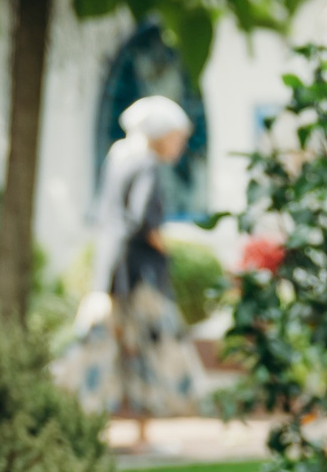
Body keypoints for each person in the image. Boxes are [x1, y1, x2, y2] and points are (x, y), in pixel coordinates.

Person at [50, 94, 211, 446]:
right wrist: (163, 245)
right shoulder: (147, 165)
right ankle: (142, 434)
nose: (181, 146)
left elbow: (109, 217)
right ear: (162, 134)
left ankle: (97, 427)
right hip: (141, 278)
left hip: (110, 269)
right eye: (179, 138)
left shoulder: (118, 158)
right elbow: (142, 220)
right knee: (151, 352)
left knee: (105, 347)